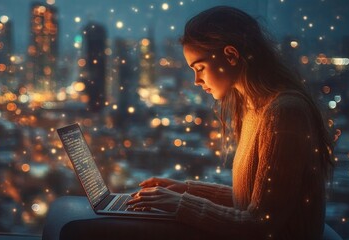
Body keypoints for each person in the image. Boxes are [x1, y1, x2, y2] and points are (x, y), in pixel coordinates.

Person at [126, 6, 334, 239]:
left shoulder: (283, 112)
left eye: (200, 67)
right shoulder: (255, 106)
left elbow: (260, 224)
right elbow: (250, 201)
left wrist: (181, 204)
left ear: (232, 55)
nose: (196, 80)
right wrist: (185, 190)